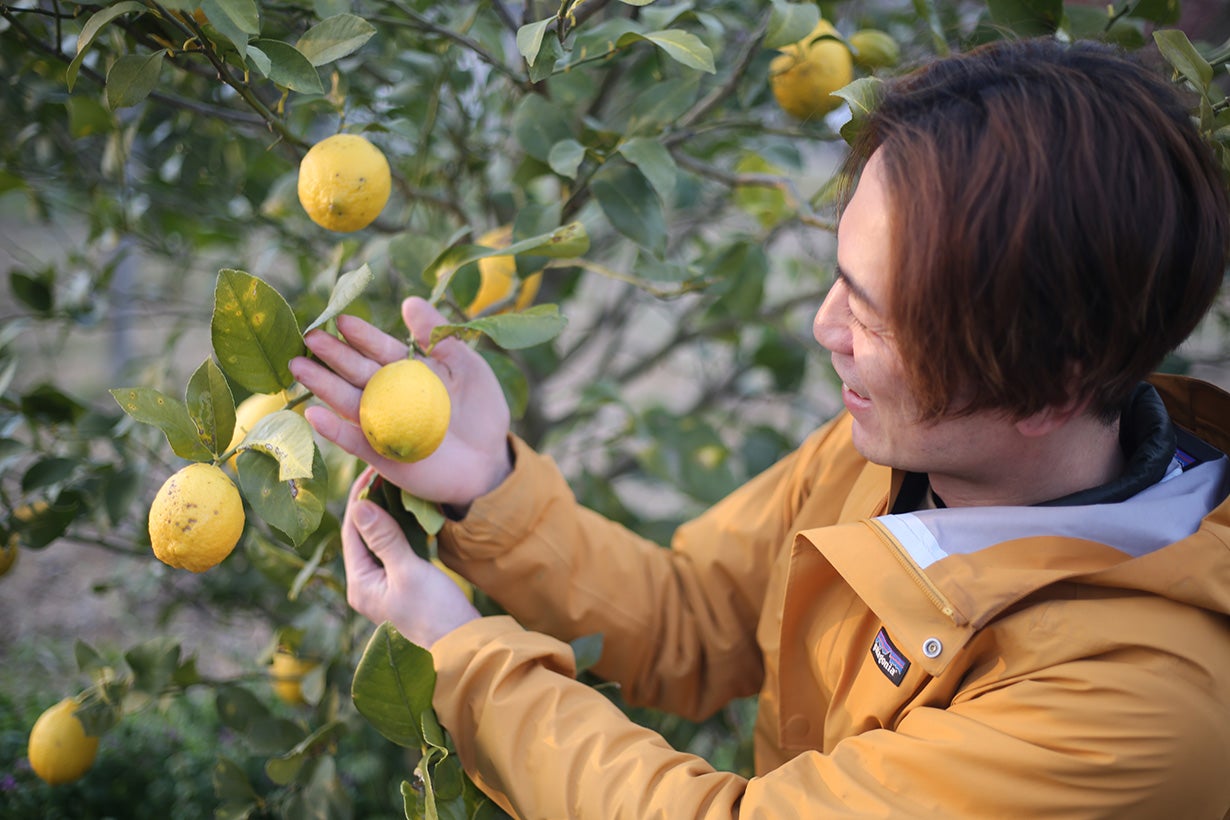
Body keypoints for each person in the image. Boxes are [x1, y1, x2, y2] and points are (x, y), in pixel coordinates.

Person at [289, 36, 1230, 818]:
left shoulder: (1134, 710)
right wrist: (488, 484)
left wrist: (464, 653)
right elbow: (691, 616)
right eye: (840, 281)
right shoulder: (891, 455)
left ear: (1047, 390)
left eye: (873, 316)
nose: (826, 329)